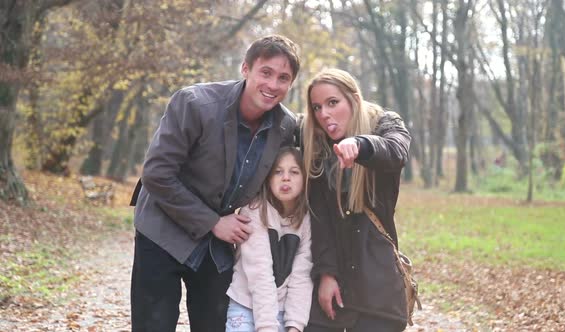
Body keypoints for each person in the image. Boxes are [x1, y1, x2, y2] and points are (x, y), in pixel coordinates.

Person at [129, 35, 300, 332]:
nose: (273, 85)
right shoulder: (195, 103)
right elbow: (156, 173)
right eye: (266, 72)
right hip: (163, 230)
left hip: (218, 247)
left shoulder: (286, 127)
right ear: (246, 69)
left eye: (283, 78)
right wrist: (212, 222)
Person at [301, 68, 411, 332]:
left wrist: (361, 145)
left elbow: (396, 151)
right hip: (333, 286)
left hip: (378, 286)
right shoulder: (315, 144)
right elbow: (320, 219)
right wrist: (326, 274)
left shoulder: (386, 124)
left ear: (354, 99)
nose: (324, 114)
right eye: (317, 107)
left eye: (332, 103)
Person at [225, 147, 313, 332]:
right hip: (246, 305)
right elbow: (260, 274)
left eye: (294, 172)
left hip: (282, 311)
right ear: (267, 178)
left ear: (305, 179)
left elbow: (302, 277)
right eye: (278, 172)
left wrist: (294, 325)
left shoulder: (307, 221)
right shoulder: (255, 212)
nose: (286, 178)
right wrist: (266, 327)